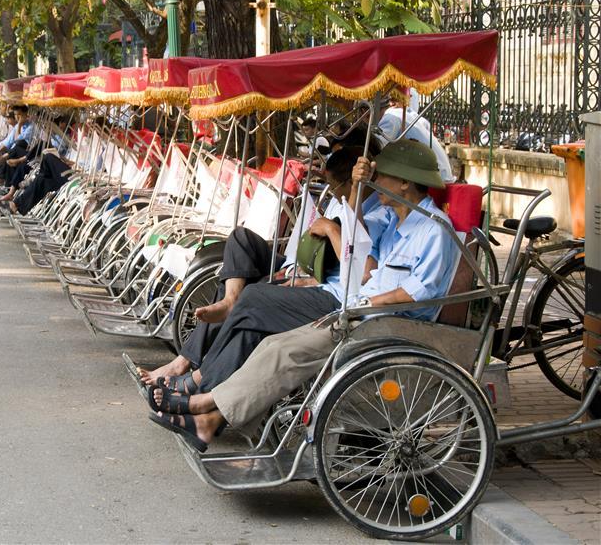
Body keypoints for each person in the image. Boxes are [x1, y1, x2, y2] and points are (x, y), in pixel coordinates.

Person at [146, 139, 462, 450]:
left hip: (382, 324)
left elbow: (415, 293)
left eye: (381, 177)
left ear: (404, 183)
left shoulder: (434, 231)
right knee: (270, 343)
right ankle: (209, 417)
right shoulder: (395, 221)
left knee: (266, 321)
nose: (375, 184)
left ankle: (203, 396)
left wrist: (364, 303)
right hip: (357, 311)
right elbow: (362, 256)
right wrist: (356, 188)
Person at [138, 145, 384, 389]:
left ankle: (194, 372)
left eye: (335, 185)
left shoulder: (376, 216)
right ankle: (227, 306)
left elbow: (358, 268)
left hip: (325, 282)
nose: (330, 190)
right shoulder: (340, 201)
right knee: (241, 240)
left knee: (251, 295)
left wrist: (323, 247)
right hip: (300, 264)